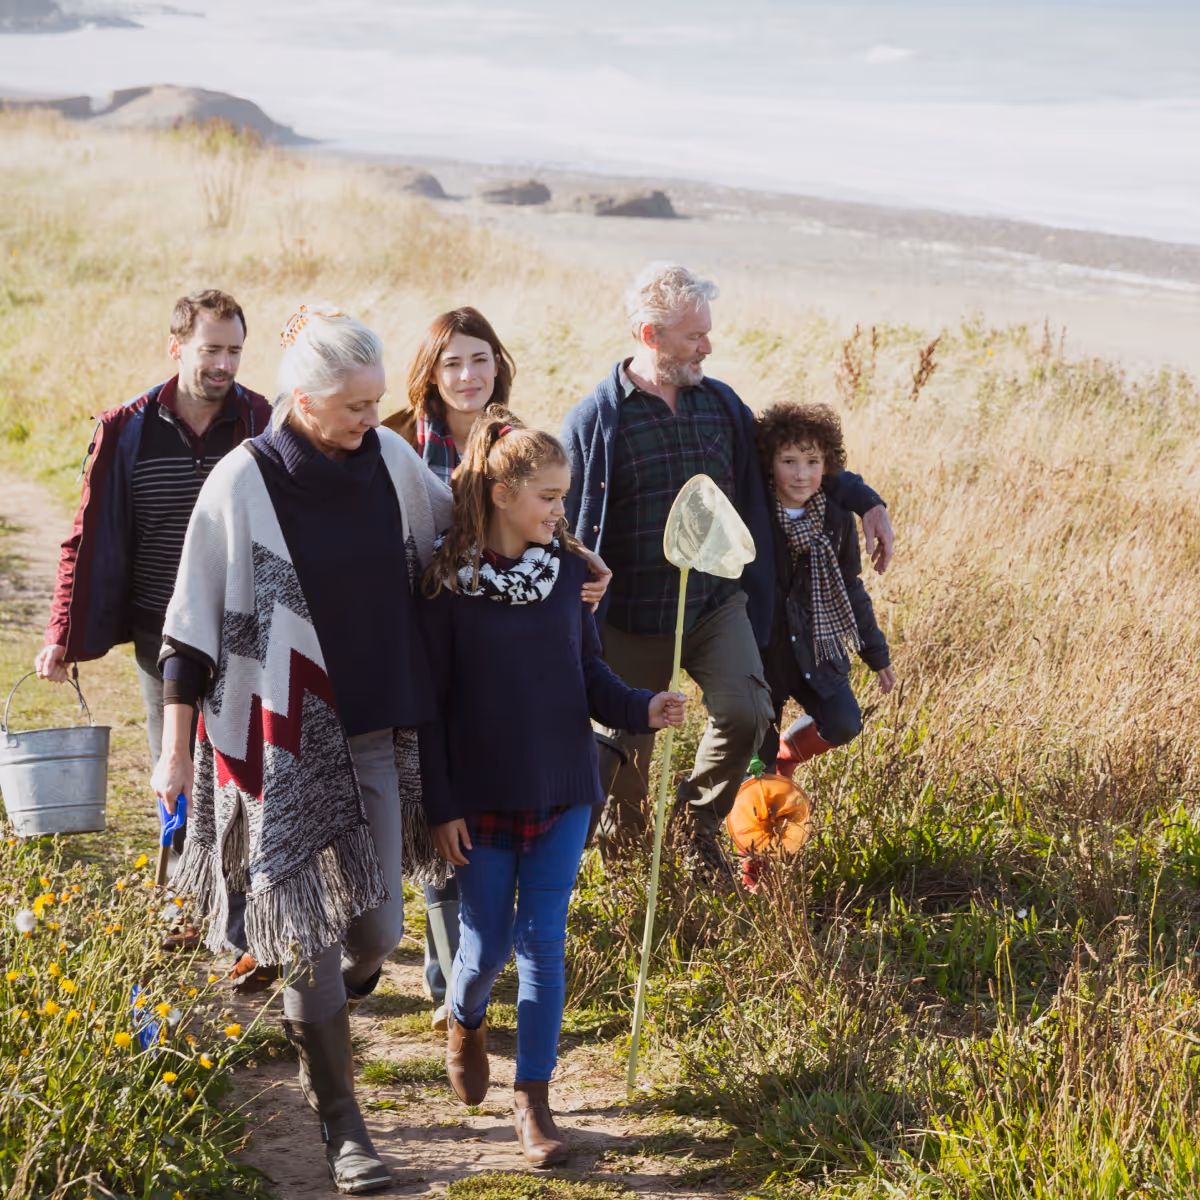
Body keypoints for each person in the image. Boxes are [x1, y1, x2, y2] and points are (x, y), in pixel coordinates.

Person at [152, 304, 450, 1194]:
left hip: (373, 730)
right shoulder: (244, 481)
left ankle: (314, 1002)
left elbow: (461, 537)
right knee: (311, 928)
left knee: (379, 929)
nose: (373, 417)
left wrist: (566, 557)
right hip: (280, 740)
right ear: (304, 398)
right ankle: (343, 1125)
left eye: (377, 399)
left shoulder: (393, 463)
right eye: (355, 404)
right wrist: (173, 755)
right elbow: (188, 635)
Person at [561, 262, 896, 874]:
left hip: (717, 604)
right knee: (629, 777)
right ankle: (631, 872)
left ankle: (696, 824)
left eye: (707, 333)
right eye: (694, 336)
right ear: (650, 334)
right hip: (632, 618)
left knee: (747, 714)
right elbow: (567, 518)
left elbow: (795, 467)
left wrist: (866, 500)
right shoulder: (596, 420)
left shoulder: (721, 406)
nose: (708, 347)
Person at [418, 407, 685, 1167]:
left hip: (566, 786)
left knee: (542, 942)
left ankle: (533, 1099)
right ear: (502, 493)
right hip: (477, 798)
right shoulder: (445, 587)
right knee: (486, 944)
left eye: (564, 496)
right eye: (549, 497)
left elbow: (590, 675)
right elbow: (429, 714)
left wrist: (643, 708)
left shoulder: (570, 576)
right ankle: (465, 1019)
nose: (561, 512)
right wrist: (441, 807)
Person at [388, 307, 610, 1032]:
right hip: (421, 621)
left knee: (473, 837)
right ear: (429, 373)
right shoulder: (394, 440)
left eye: (479, 360)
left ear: (498, 365)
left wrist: (581, 558)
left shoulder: (514, 441)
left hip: (494, 630)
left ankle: (459, 991)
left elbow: (544, 513)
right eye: (451, 362)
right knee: (442, 800)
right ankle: (453, 974)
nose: (467, 375)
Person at [35, 289, 269, 951]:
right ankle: (181, 907)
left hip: (244, 628)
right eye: (210, 349)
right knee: (176, 763)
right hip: (159, 634)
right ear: (177, 348)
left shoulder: (260, 422)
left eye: (234, 350)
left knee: (241, 769)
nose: (224, 364)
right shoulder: (126, 428)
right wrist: (60, 632)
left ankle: (240, 914)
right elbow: (83, 536)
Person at [752, 402, 894, 778]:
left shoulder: (835, 517)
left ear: (827, 466)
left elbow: (850, 587)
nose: (802, 475)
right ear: (769, 462)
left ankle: (787, 756)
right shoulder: (753, 512)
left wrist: (876, 654)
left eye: (813, 462)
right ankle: (736, 810)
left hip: (814, 648)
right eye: (789, 461)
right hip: (760, 652)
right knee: (756, 765)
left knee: (845, 721)